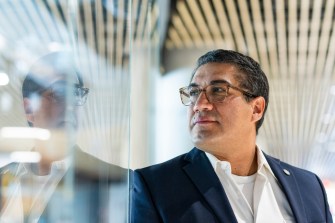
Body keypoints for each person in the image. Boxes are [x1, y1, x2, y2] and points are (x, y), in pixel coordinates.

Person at [131, 49, 333, 222]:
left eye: (218, 90)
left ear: (256, 108)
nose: (200, 104)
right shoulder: (156, 185)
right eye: (193, 93)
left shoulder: (308, 186)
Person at [0, 51, 128, 222]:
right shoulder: (4, 178)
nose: (70, 106)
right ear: (29, 109)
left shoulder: (116, 183)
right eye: (60, 92)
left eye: (76, 94)